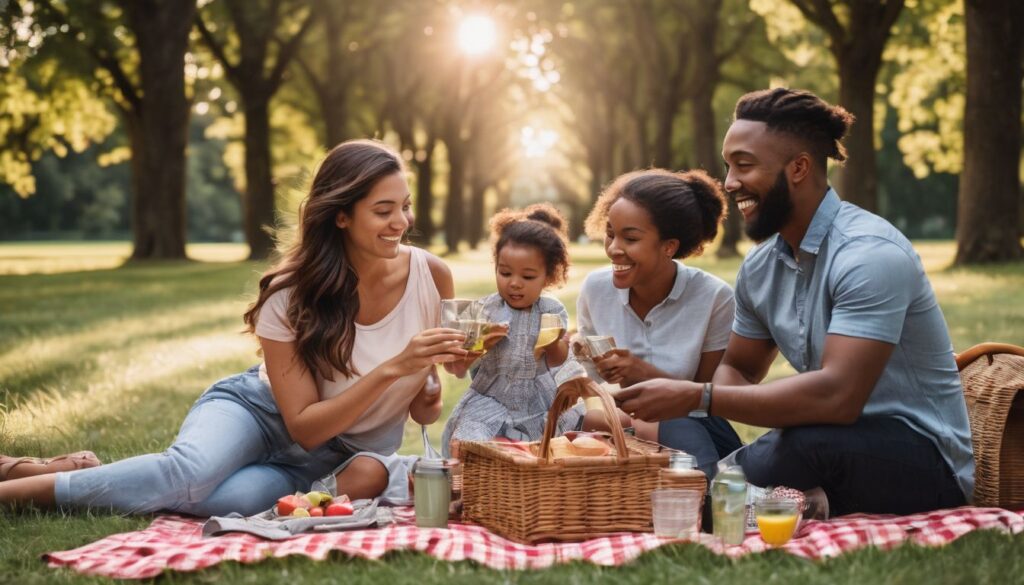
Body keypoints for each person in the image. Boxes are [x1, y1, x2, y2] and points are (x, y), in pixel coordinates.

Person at [0, 139, 468, 516]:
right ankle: (18, 492)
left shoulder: (433, 277)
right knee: (187, 473)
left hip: (335, 460)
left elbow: (424, 409)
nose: (401, 222)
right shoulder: (290, 292)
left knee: (228, 502)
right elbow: (304, 426)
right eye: (383, 211)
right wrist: (393, 369)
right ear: (341, 216)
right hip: (257, 411)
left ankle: (58, 471)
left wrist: (427, 387)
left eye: (404, 207)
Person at [615, 88, 974, 516]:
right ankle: (752, 492)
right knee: (691, 419)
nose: (729, 183)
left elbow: (838, 397)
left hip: (923, 464)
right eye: (728, 166)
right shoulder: (761, 267)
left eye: (743, 165)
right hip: (823, 440)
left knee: (798, 440)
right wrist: (702, 405)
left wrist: (701, 396)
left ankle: (718, 494)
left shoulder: (869, 254)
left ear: (799, 167)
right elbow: (739, 368)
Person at [575, 169, 742, 479]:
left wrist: (640, 371)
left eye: (631, 238)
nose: (613, 248)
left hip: (692, 425)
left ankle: (702, 499)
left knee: (682, 430)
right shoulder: (595, 289)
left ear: (669, 246)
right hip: (614, 423)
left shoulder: (714, 298)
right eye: (611, 233)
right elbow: (591, 390)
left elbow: (708, 402)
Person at [441, 203, 581, 456]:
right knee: (465, 447)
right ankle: (466, 488)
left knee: (538, 453)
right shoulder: (483, 309)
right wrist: (478, 346)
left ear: (548, 277)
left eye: (528, 277)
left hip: (536, 400)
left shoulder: (551, 310)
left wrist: (554, 343)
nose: (514, 283)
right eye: (505, 273)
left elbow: (559, 360)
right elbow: (456, 368)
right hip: (489, 397)